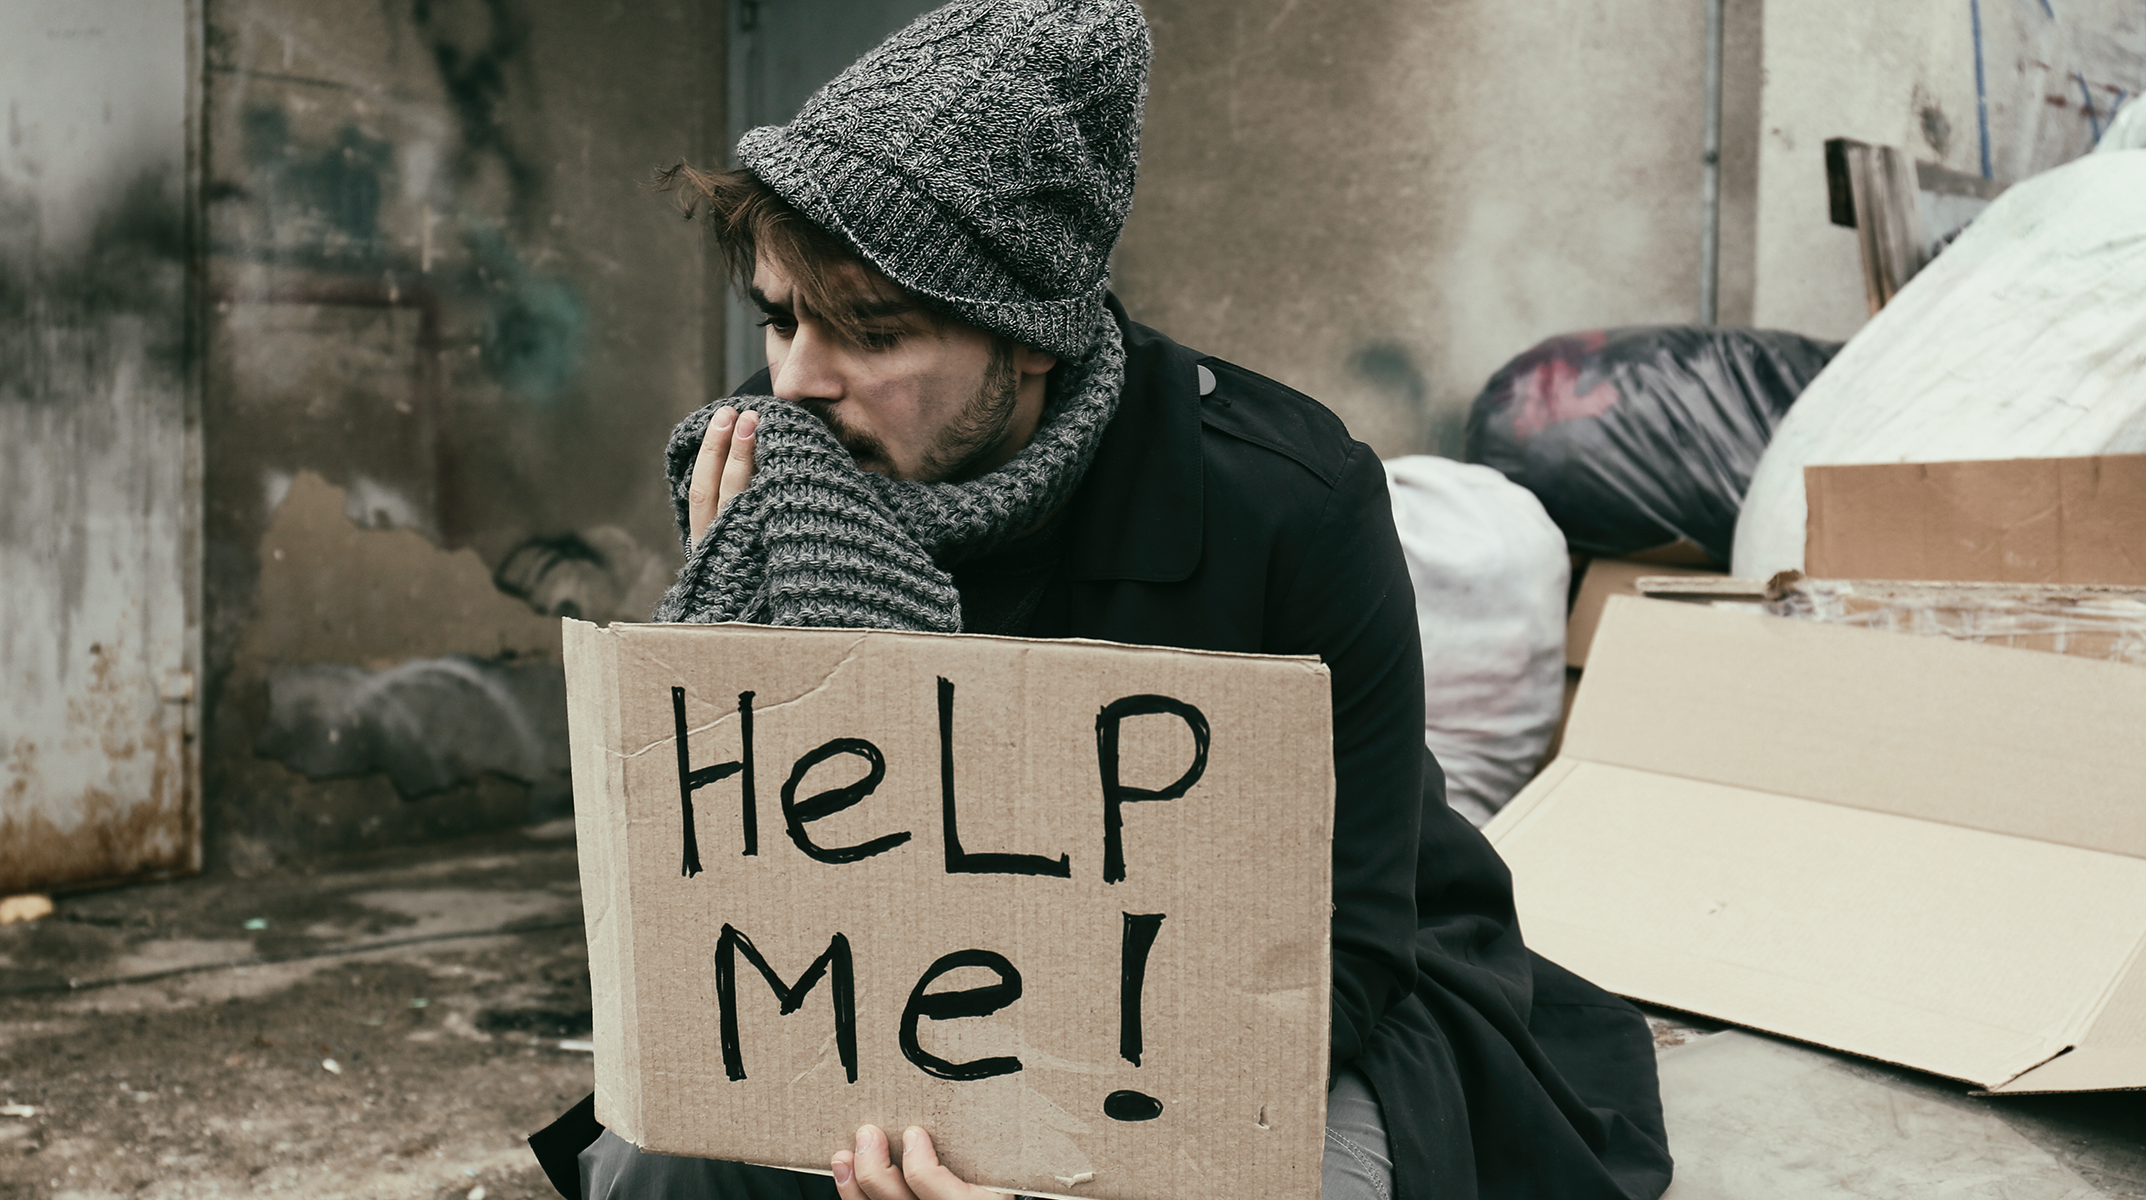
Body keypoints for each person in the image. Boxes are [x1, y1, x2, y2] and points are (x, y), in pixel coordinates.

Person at [531, 1, 1672, 1197]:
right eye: (779, 318)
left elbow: (1348, 945)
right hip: (897, 995)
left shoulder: (1291, 500)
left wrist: (1044, 1155)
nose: (795, 380)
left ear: (1032, 339)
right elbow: (746, 899)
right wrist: (740, 646)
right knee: (657, 1176)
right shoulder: (795, 473)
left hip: (1235, 1010)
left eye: (871, 333)